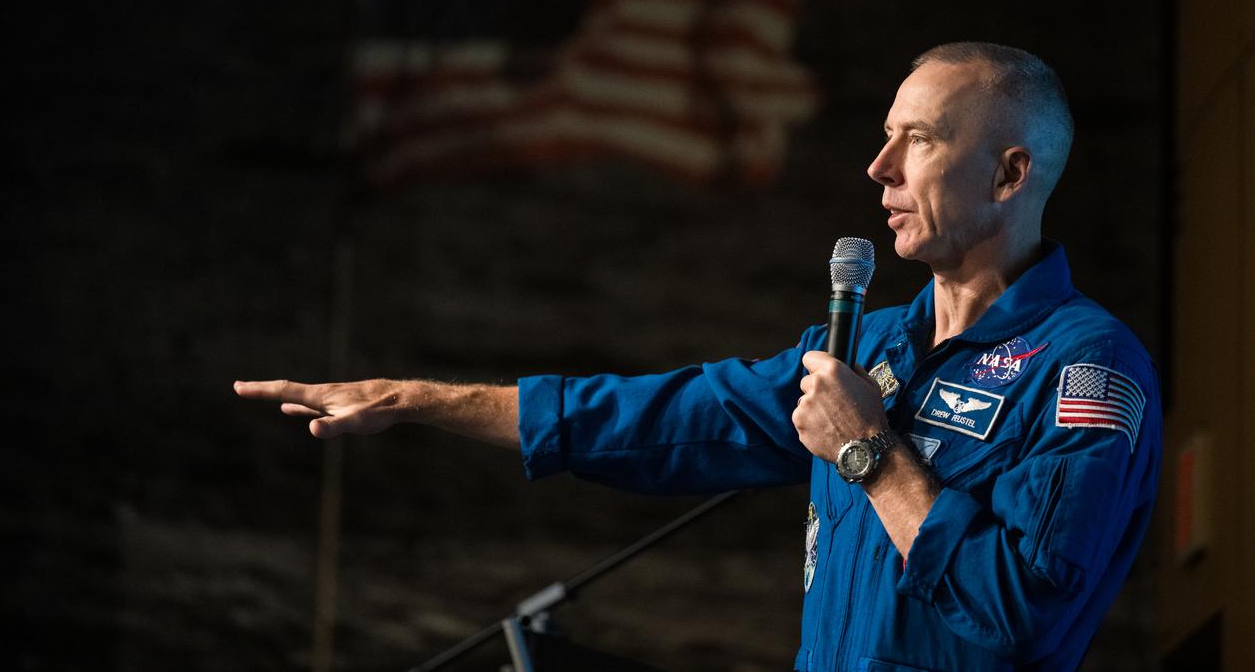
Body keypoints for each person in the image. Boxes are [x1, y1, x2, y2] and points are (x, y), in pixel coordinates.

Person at [235, 42, 1161, 671]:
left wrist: (870, 458)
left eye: (917, 140)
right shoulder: (867, 345)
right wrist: (416, 397)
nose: (878, 169)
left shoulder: (1087, 369)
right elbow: (665, 416)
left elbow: (1023, 612)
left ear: (1009, 172)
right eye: (884, 136)